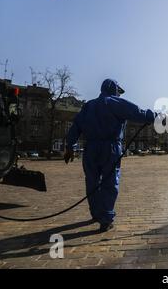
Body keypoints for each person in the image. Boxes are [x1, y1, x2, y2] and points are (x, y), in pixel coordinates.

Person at [64, 79, 157, 232]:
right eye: (118, 92)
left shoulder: (88, 106)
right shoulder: (114, 103)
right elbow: (136, 112)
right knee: (109, 181)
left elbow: (75, 127)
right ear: (115, 90)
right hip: (110, 148)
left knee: (92, 183)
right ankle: (106, 218)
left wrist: (69, 147)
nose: (119, 95)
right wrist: (151, 115)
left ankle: (96, 213)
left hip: (91, 149)